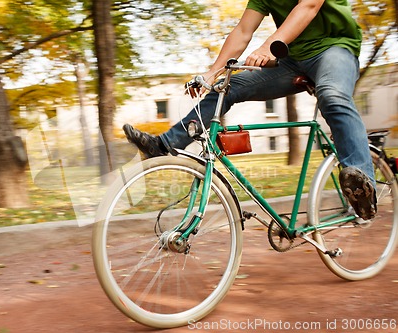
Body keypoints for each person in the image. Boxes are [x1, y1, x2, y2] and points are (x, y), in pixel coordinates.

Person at [123, 0, 377, 220]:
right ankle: (164, 145)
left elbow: (309, 6)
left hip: (334, 48)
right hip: (291, 61)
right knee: (227, 87)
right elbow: (243, 31)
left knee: (332, 97)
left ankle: (363, 186)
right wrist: (212, 73)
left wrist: (267, 46)